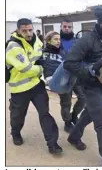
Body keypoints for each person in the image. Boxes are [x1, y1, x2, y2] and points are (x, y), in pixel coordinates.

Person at [63, 8, 102, 166]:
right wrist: (91, 71)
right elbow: (70, 63)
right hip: (90, 84)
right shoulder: (87, 39)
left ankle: (74, 136)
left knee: (89, 115)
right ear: (100, 24)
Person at [5, 18, 62, 155]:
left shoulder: (37, 40)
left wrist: (47, 71)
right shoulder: (13, 46)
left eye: (30, 29)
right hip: (19, 89)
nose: (28, 33)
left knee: (45, 114)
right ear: (18, 30)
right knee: (18, 116)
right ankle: (16, 133)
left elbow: (40, 58)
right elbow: (25, 67)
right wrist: (41, 70)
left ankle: (52, 144)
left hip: (37, 85)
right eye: (24, 31)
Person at [56, 18, 86, 132]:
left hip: (77, 75)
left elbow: (83, 56)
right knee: (66, 102)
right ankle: (67, 122)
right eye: (65, 27)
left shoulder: (77, 41)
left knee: (83, 98)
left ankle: (74, 116)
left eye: (69, 27)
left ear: (72, 28)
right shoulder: (56, 41)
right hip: (63, 76)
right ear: (61, 27)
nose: (67, 29)